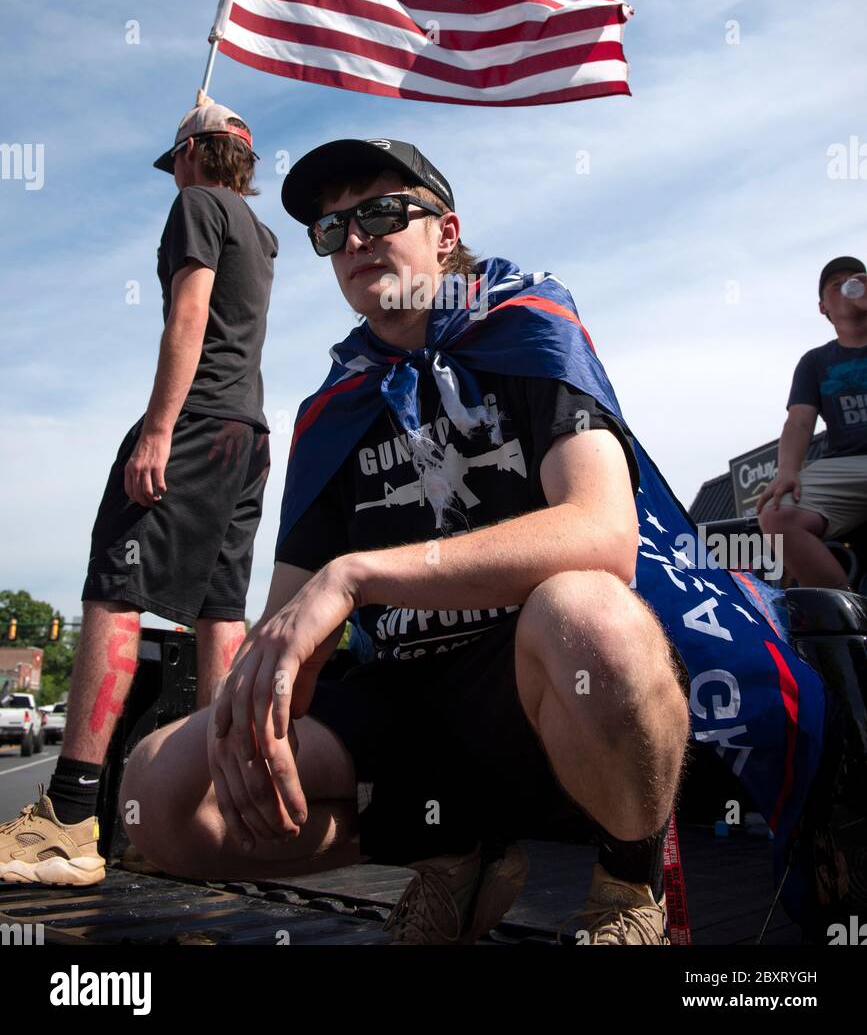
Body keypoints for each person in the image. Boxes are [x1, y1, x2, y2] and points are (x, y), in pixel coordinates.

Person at [119, 136, 690, 946]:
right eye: (330, 231)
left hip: (535, 686)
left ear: (445, 233)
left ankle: (627, 883)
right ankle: (453, 853)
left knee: (589, 614)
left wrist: (357, 576)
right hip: (403, 707)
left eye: (380, 213)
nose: (353, 241)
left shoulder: (530, 328)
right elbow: (287, 615)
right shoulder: (334, 407)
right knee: (162, 796)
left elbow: (602, 534)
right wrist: (255, 714)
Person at [0, 91, 278, 887]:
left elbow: (187, 319)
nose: (174, 177)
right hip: (247, 435)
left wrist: (158, 429)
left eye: (177, 162)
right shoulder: (259, 232)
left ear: (192, 157)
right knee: (221, 612)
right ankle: (204, 812)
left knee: (113, 590)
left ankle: (67, 819)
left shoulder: (194, 204)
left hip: (193, 423)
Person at [757, 256, 867, 590]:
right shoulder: (816, 361)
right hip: (847, 466)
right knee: (777, 514)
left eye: (857, 280)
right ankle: (851, 620)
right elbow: (799, 422)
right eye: (837, 284)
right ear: (823, 308)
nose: (849, 286)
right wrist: (787, 470)